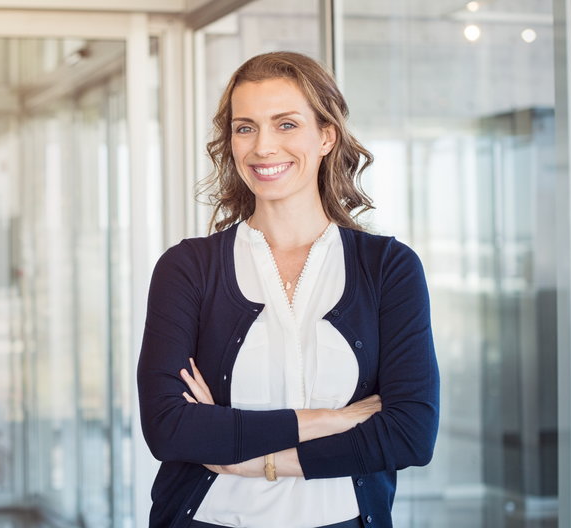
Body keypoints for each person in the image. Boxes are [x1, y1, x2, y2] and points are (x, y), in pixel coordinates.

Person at [136, 51, 439, 528]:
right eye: (245, 127)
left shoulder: (388, 268)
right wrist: (330, 419)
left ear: (326, 136)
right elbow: (170, 430)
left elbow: (410, 435)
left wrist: (251, 457)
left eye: (286, 124)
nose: (263, 147)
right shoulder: (188, 268)